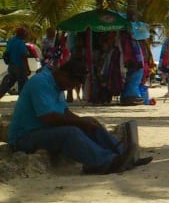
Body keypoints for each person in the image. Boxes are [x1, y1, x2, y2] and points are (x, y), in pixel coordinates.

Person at [7, 59, 149, 174]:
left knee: (91, 124)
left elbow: (65, 113)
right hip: (25, 137)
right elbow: (48, 117)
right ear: (63, 74)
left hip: (43, 131)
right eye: (71, 84)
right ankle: (105, 161)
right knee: (70, 132)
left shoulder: (57, 86)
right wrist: (79, 122)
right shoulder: (40, 83)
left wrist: (84, 121)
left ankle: (122, 154)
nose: (70, 88)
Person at [1, 26, 32, 99]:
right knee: (23, 84)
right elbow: (23, 56)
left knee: (8, 84)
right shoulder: (20, 42)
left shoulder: (11, 41)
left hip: (11, 65)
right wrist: (27, 68)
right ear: (23, 34)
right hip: (19, 66)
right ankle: (22, 101)